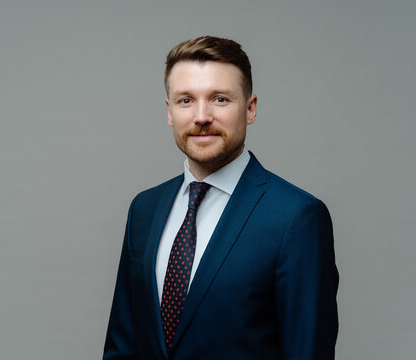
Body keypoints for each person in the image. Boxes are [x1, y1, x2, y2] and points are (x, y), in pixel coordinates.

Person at [103, 36, 339, 360]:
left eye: (219, 99)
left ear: (250, 108)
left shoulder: (296, 218)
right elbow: (122, 346)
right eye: (186, 100)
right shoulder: (144, 209)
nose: (201, 116)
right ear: (169, 111)